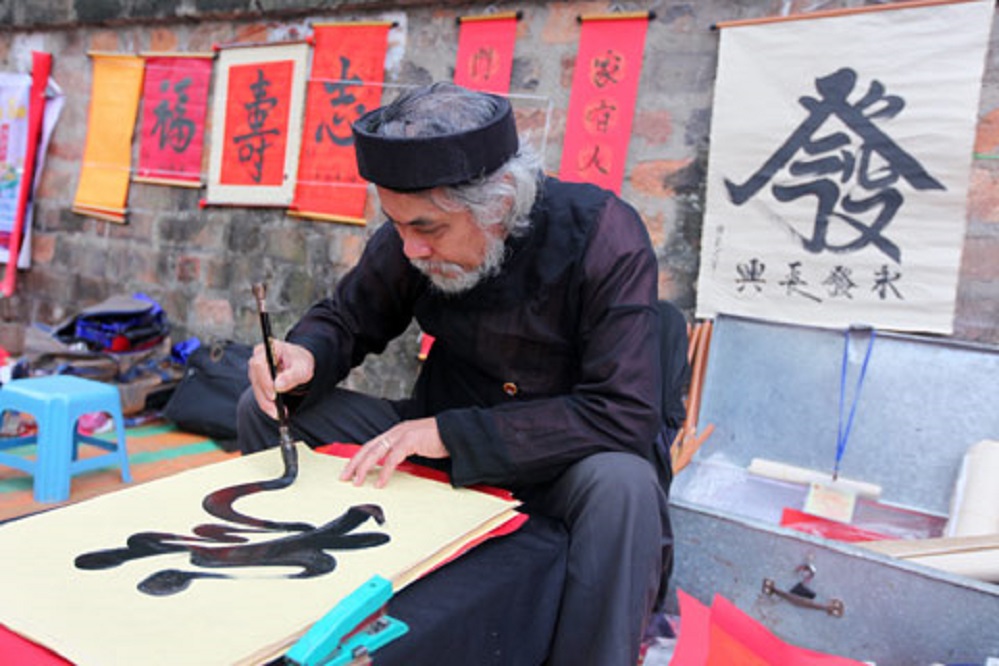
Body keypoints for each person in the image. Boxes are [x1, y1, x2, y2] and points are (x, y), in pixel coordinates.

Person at [237, 82, 673, 666]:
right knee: (269, 408)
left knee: (624, 484)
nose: (410, 249)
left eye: (428, 230)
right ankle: (297, 600)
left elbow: (625, 411)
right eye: (397, 226)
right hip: (436, 446)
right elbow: (346, 318)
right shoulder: (413, 237)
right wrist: (305, 357)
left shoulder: (603, 236)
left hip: (557, 463)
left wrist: (450, 433)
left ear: (498, 203)